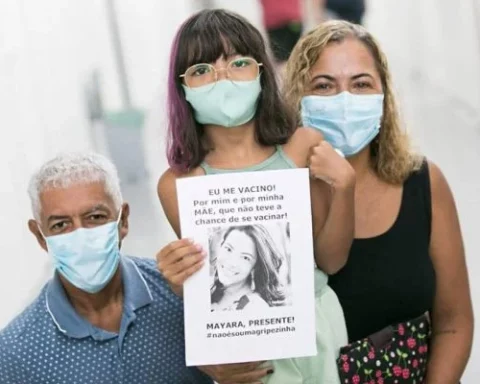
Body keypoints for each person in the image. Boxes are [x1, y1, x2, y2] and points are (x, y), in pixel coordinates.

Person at [156, 8, 355, 384]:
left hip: (318, 328)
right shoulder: (178, 184)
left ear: (262, 70)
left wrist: (345, 189)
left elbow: (331, 260)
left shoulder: (302, 148)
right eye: (201, 70)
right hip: (248, 346)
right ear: (181, 87)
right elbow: (209, 283)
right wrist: (179, 280)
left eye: (238, 63)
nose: (222, 79)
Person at [284, 20, 474, 383]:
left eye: (361, 84)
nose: (344, 100)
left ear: (383, 97)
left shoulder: (424, 183)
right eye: (324, 86)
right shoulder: (276, 193)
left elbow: (454, 323)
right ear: (297, 98)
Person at [0, 153, 212, 384]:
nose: (80, 234)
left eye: (95, 217)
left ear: (123, 221)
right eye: (60, 225)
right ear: (40, 236)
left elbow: (245, 370)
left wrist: (199, 300)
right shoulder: (16, 352)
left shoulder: (180, 294)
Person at [210, 224, 290, 311]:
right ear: (221, 246)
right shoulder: (211, 289)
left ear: (255, 267)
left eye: (245, 258)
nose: (232, 263)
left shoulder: (254, 306)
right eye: (228, 249)